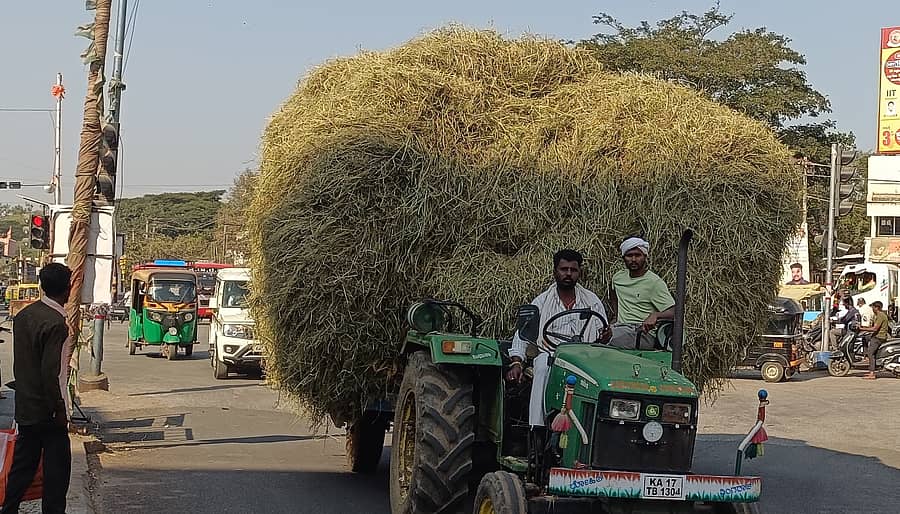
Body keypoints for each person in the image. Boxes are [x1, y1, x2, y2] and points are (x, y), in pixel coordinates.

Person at [507, 249, 608, 427]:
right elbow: (523, 334)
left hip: (586, 359)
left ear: (579, 273)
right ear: (555, 271)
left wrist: (606, 335)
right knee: (541, 365)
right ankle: (537, 427)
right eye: (564, 269)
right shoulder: (541, 302)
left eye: (573, 270)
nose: (568, 274)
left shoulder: (592, 301)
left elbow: (603, 334)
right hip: (552, 356)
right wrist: (517, 362)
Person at [2, 263, 72, 514]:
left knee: (23, 466)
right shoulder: (57, 323)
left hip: (26, 405)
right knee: (57, 472)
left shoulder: (23, 316)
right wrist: (60, 409)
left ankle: (9, 508)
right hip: (48, 410)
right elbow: (50, 372)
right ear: (68, 288)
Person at [607, 237, 675, 350]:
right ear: (623, 257)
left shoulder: (654, 283)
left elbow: (675, 312)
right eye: (629, 255)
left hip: (642, 332)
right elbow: (613, 292)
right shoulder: (618, 278)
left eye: (638, 255)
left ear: (645, 257)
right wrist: (616, 315)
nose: (633, 259)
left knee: (612, 340)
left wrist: (656, 315)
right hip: (620, 327)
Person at [859, 301, 889, 380]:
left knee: (871, 353)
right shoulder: (878, 315)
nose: (872, 309)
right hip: (876, 336)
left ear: (877, 308)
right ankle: (864, 356)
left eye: (873, 307)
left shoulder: (880, 316)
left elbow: (875, 328)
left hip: (878, 337)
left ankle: (872, 373)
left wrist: (862, 329)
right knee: (864, 338)